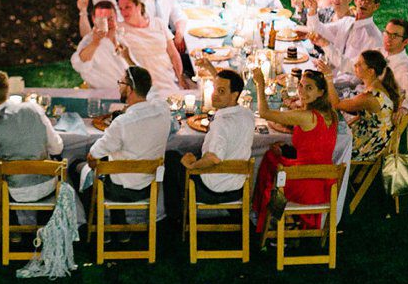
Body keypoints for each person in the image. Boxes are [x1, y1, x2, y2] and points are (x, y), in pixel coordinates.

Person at [0, 70, 63, 235]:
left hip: (16, 192)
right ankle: (43, 226)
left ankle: (10, 223)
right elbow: (57, 148)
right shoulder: (34, 109)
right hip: (48, 186)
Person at [163, 69, 254, 228]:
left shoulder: (221, 123)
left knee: (171, 157)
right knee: (190, 154)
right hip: (238, 187)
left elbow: (213, 158)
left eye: (221, 91)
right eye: (215, 89)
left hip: (213, 190)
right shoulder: (248, 115)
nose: (214, 95)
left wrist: (192, 166)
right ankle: (235, 213)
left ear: (234, 95)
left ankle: (175, 219)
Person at [251, 68, 338, 233]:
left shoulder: (306, 116)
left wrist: (260, 84)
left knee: (271, 163)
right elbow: (314, 145)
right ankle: (286, 221)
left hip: (304, 184)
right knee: (274, 155)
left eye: (309, 88)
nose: (302, 91)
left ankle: (276, 222)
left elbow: (264, 113)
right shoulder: (330, 114)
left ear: (321, 92)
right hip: (324, 183)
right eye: (301, 86)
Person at [84, 67, 171, 228]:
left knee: (82, 170)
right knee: (112, 170)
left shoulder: (122, 123)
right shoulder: (163, 111)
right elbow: (153, 93)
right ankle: (120, 227)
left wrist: (93, 165)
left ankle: (97, 227)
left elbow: (93, 155)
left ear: (130, 89)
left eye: (121, 83)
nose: (119, 86)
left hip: (121, 190)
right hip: (149, 187)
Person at [322, 51, 399, 161]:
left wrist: (328, 78)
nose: (355, 65)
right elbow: (362, 116)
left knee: (322, 143)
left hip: (367, 145)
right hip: (367, 133)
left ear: (371, 71)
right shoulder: (376, 86)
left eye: (360, 64)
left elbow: (336, 104)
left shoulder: (370, 97)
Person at [305, 0, 382, 90]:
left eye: (368, 1)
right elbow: (317, 29)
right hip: (330, 75)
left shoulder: (374, 38)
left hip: (348, 87)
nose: (363, 3)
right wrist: (312, 10)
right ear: (355, 0)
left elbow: (354, 68)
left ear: (376, 6)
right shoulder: (347, 22)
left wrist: (326, 45)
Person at [115, 0, 184, 96]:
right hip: (143, 85)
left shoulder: (158, 23)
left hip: (167, 78)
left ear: (138, 6)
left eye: (127, 7)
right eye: (121, 9)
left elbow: (173, 54)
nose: (124, 12)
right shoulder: (120, 29)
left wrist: (180, 78)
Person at [70, 0, 128, 90]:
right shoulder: (89, 40)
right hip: (104, 96)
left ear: (116, 17)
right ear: (94, 20)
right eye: (102, 20)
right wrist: (95, 42)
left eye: (110, 18)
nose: (107, 23)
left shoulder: (124, 37)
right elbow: (79, 64)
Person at [381, 18, 408, 121]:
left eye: (394, 36)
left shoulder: (407, 67)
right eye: (387, 33)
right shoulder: (379, 51)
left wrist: (404, 109)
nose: (388, 38)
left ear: (406, 41)